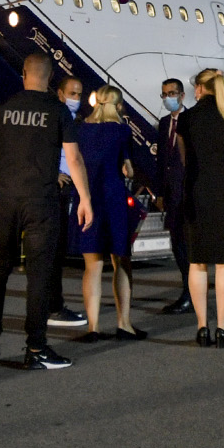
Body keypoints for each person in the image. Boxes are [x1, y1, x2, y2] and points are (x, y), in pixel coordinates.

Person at [0, 53, 93, 369]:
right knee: (39, 274)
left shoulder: (3, 109)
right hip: (41, 202)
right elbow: (74, 159)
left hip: (5, 201)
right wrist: (85, 199)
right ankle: (36, 348)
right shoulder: (58, 111)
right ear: (50, 78)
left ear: (24, 73)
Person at [180, 67, 224, 346]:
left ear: (199, 88)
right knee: (223, 262)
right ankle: (223, 328)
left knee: (197, 262)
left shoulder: (186, 118)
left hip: (197, 189)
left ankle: (201, 327)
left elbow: (184, 157)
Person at [70, 87, 143, 341]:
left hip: (88, 198)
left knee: (92, 266)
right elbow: (129, 170)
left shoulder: (81, 129)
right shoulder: (122, 130)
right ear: (118, 105)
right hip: (113, 199)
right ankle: (124, 324)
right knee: (120, 261)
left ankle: (93, 327)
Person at [42, 74, 88, 331]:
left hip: (67, 186)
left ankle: (52, 305)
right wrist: (53, 174)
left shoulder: (73, 119)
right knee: (53, 251)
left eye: (79, 94)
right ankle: (52, 307)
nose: (76, 98)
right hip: (55, 189)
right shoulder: (55, 117)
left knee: (58, 251)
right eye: (72, 93)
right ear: (59, 94)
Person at [154, 78, 195, 313]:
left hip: (187, 192)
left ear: (182, 96)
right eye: (164, 94)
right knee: (177, 244)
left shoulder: (191, 121)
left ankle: (190, 293)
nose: (168, 98)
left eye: (171, 93)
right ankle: (188, 290)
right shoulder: (163, 123)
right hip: (171, 194)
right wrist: (159, 192)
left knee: (187, 245)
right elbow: (161, 160)